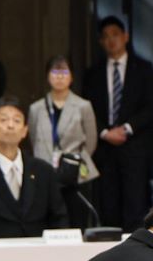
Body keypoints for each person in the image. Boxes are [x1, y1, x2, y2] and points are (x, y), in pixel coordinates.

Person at [89, 16, 153, 231]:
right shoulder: (93, 73)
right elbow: (88, 108)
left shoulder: (143, 68)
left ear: (126, 37)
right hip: (104, 148)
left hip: (134, 146)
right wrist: (104, 132)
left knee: (135, 205)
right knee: (108, 204)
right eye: (105, 37)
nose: (111, 40)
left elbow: (151, 106)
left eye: (115, 35)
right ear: (100, 42)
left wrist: (127, 128)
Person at [0, 100, 69, 237]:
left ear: (25, 131)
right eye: (3, 120)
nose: (10, 125)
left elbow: (58, 216)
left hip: (38, 252)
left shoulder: (43, 170)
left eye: (17, 120)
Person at [29, 55, 101, 229]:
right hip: (46, 169)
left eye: (64, 72)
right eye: (55, 71)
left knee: (77, 218)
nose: (59, 77)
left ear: (72, 76)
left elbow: (91, 141)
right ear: (47, 75)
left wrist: (75, 162)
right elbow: (33, 138)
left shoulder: (83, 106)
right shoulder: (36, 108)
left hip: (74, 172)